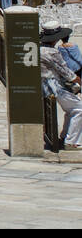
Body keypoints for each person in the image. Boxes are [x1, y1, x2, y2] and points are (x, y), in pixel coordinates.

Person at [40, 22, 82, 150]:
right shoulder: (51, 52)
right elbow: (66, 72)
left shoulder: (40, 48)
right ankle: (71, 141)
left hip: (46, 84)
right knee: (79, 110)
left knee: (71, 110)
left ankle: (65, 136)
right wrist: (78, 80)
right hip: (53, 86)